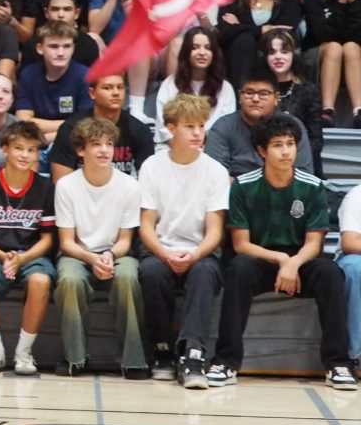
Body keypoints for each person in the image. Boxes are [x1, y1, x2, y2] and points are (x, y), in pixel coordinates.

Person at [207, 114, 355, 390]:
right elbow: (241, 244)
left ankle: (338, 364)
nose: (286, 151)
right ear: (262, 151)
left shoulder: (312, 186)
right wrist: (280, 260)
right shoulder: (242, 186)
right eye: (277, 145)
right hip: (261, 258)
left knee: (331, 273)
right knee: (238, 268)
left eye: (290, 144)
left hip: (301, 260)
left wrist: (293, 263)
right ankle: (225, 361)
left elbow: (315, 243)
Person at [137, 94, 229, 389]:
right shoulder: (152, 166)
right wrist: (164, 254)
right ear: (170, 128)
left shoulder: (215, 171)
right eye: (190, 126)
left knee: (203, 273)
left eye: (201, 126)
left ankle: (193, 354)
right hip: (161, 247)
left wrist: (194, 255)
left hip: (201, 251)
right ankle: (162, 349)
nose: (198, 133)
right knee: (151, 272)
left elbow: (215, 230)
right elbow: (146, 225)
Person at [53, 116, 147, 378]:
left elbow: (126, 241)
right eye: (96, 144)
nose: (105, 150)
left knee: (128, 277)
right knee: (70, 279)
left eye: (109, 144)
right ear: (81, 150)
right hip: (78, 253)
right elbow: (66, 243)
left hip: (115, 252)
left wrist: (106, 256)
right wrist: (91, 259)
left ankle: (134, 359)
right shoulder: (66, 185)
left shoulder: (129, 186)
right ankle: (75, 357)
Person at [0, 120, 55, 376]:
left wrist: (22, 258)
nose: (25, 155)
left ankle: (24, 353)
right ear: (4, 149)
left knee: (40, 281)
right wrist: (3, 256)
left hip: (31, 254)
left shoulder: (46, 187)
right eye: (19, 148)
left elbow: (47, 239)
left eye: (31, 150)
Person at [204, 69, 316, 178]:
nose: (256, 99)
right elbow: (215, 177)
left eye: (263, 93)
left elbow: (305, 175)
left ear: (276, 98)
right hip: (236, 195)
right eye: (249, 92)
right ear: (240, 96)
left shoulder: (292, 125)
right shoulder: (223, 127)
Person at [217, 0, 301, 88]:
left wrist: (240, 26)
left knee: (252, 38)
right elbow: (224, 31)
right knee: (245, 40)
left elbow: (287, 28)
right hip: (238, 51)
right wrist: (262, 29)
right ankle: (241, 97)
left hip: (275, 49)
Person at [49, 73, 154, 181]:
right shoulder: (71, 129)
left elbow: (147, 184)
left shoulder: (139, 130)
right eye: (107, 88)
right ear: (92, 93)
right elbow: (60, 183)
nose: (116, 93)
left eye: (120, 87)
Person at [303, 0, 361, 128]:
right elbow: (322, 35)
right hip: (317, 53)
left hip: (353, 54)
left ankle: (359, 111)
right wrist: (342, 4)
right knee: (336, 47)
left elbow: (356, 36)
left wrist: (355, 3)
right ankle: (327, 111)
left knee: (350, 47)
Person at [153, 27, 237, 148]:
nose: (202, 53)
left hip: (212, 151)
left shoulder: (225, 88)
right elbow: (165, 130)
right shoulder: (170, 84)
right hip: (174, 149)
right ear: (186, 52)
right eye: (195, 47)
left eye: (208, 48)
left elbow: (225, 129)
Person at [14, 21, 91, 145]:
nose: (61, 53)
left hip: (72, 143)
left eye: (67, 46)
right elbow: (23, 120)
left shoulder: (85, 75)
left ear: (73, 48)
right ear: (40, 48)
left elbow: (85, 125)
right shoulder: (29, 74)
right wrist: (69, 124)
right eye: (54, 46)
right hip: (35, 141)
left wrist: (44, 139)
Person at [264, 28, 324, 175]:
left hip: (302, 165)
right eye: (272, 53)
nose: (278, 57)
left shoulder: (309, 90)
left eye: (284, 52)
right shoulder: (260, 91)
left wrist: (292, 158)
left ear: (294, 54)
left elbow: (316, 139)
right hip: (266, 163)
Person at [337, 182, 361, 372]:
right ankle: (355, 355)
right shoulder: (357, 195)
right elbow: (350, 242)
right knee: (353, 268)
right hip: (357, 256)